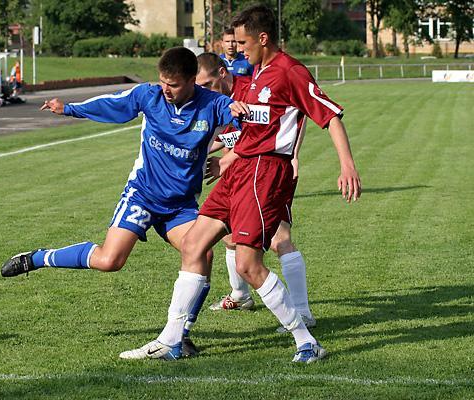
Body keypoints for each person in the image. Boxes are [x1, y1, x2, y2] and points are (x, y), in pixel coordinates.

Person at [121, 5, 361, 363]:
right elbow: (246, 130)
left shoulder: (290, 72)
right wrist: (225, 155)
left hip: (265, 173)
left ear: (263, 38)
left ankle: (306, 342)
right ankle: (171, 340)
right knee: (193, 245)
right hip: (239, 171)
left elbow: (330, 115)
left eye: (243, 41)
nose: (237, 48)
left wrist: (347, 164)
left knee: (250, 265)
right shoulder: (252, 74)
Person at [0, 47, 239, 359]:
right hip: (142, 195)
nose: (166, 89)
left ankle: (180, 336)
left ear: (193, 80)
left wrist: (229, 155)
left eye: (174, 84)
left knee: (202, 254)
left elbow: (253, 128)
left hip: (180, 205)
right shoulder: (149, 96)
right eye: (163, 82)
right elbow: (112, 104)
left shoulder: (213, 104)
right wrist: (69, 109)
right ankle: (38, 258)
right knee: (109, 261)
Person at [196, 53, 316, 333]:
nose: (204, 90)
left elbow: (286, 120)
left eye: (208, 83)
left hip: (271, 171)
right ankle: (240, 296)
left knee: (280, 240)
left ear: (223, 72)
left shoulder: (255, 84)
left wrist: (294, 154)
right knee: (227, 236)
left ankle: (302, 314)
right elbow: (236, 136)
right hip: (244, 173)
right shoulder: (223, 96)